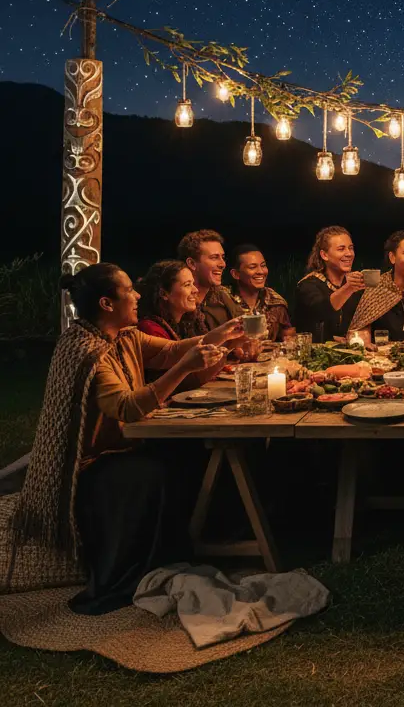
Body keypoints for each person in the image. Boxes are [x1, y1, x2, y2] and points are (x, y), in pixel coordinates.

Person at [10, 263, 242, 614]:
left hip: (122, 449)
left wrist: (221, 334)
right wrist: (186, 368)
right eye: (129, 291)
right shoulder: (87, 352)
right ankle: (129, 573)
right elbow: (127, 407)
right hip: (87, 470)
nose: (137, 295)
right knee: (152, 474)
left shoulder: (125, 337)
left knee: (185, 456)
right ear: (107, 304)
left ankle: (192, 548)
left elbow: (168, 351)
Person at [293, 226, 366, 343]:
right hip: (312, 355)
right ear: (324, 255)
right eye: (341, 249)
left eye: (351, 248)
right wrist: (348, 288)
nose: (349, 253)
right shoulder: (308, 285)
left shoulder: (353, 283)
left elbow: (363, 320)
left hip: (350, 353)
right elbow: (321, 311)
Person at [176, 229, 238, 335]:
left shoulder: (224, 296)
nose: (222, 264)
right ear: (192, 263)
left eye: (223, 258)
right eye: (214, 258)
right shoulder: (177, 301)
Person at [228, 243, 293, 342]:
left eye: (263, 266)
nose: (261, 271)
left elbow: (289, 339)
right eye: (252, 267)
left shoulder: (276, 302)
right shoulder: (224, 300)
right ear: (236, 274)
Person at [136, 259, 199, 341]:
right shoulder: (150, 329)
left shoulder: (185, 326)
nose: (195, 290)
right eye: (187, 285)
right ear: (164, 294)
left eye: (193, 284)